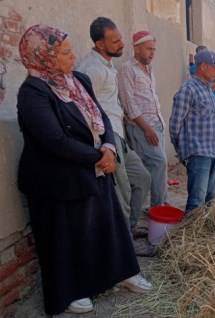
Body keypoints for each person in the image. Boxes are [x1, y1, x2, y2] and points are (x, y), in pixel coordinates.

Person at [16, 24, 152, 315]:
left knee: (109, 225)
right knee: (63, 236)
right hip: (55, 178)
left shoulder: (77, 80)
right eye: (65, 52)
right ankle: (70, 292)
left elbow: (101, 115)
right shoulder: (33, 92)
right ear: (45, 56)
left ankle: (121, 273)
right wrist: (97, 156)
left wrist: (109, 148)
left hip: (94, 166)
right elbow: (54, 140)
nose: (73, 56)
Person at [76, 17, 151, 238]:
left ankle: (130, 228)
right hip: (106, 138)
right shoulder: (91, 69)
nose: (122, 44)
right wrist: (102, 143)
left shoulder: (106, 64)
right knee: (123, 192)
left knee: (142, 179)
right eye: (115, 41)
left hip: (118, 134)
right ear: (100, 44)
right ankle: (125, 243)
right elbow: (82, 107)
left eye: (120, 39)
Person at [170, 50, 215, 212]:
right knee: (196, 200)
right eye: (214, 68)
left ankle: (204, 235)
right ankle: (189, 236)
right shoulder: (188, 89)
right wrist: (182, 149)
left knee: (210, 198)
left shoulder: (208, 89)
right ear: (203, 66)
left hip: (212, 152)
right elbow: (175, 124)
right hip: (198, 153)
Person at [117, 30, 169, 207]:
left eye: (154, 49)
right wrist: (147, 129)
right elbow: (128, 103)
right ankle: (158, 207)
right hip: (141, 128)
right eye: (148, 49)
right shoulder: (126, 69)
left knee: (156, 167)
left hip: (156, 124)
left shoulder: (149, 69)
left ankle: (160, 203)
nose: (152, 53)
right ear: (137, 48)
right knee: (159, 163)